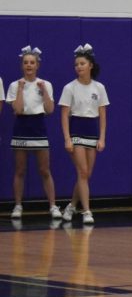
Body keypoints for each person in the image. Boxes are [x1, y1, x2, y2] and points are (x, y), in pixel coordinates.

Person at [58, 44, 109, 225]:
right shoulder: (69, 88)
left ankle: (71, 206)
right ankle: (86, 211)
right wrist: (67, 138)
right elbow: (64, 115)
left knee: (86, 175)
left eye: (82, 63)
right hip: (77, 130)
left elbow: (102, 115)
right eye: (76, 64)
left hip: (92, 131)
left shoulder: (100, 88)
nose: (78, 67)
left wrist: (102, 137)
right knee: (83, 171)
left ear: (90, 66)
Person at [7, 47, 59, 220]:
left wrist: (43, 90)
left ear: (38, 65)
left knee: (45, 169)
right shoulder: (15, 85)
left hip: (38, 126)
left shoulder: (46, 84)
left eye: (32, 62)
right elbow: (18, 109)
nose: (29, 65)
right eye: (26, 62)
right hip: (21, 127)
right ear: (22, 65)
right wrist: (21, 89)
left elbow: (50, 110)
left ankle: (53, 206)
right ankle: (18, 206)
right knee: (20, 169)